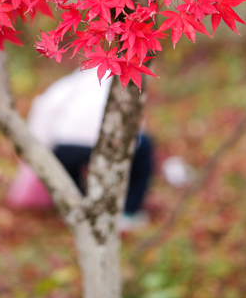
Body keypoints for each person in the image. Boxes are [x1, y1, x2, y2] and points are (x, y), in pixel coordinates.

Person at [24, 67, 154, 229]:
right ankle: (128, 211)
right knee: (143, 155)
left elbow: (47, 104)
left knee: (68, 169)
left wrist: (42, 145)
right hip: (111, 138)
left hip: (68, 139)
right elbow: (134, 115)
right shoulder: (127, 77)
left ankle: (77, 208)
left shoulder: (80, 76)